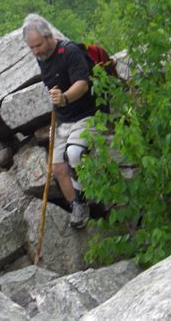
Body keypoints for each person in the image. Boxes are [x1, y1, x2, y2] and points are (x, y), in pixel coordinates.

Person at [22, 13, 101, 229]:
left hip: (87, 114)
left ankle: (84, 204)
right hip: (63, 119)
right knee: (57, 168)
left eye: (38, 45)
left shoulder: (70, 52)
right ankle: (77, 206)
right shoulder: (42, 59)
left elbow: (82, 84)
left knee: (74, 154)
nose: (36, 51)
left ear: (49, 37)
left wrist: (64, 97)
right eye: (32, 48)